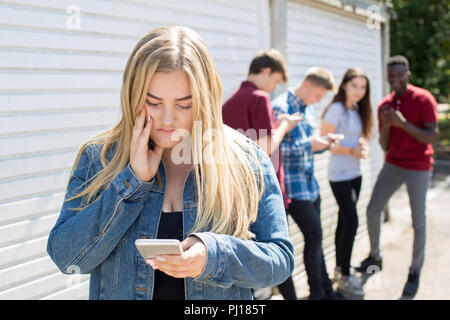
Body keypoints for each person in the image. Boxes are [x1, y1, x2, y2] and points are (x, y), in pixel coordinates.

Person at [46, 26, 295, 300]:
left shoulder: (245, 159)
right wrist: (131, 183)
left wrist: (213, 255)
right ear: (133, 96)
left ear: (205, 100)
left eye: (184, 105)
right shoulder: (99, 157)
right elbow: (68, 259)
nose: (167, 119)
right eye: (153, 102)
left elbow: (279, 261)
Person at [355, 55, 439, 298]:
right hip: (393, 165)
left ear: (408, 75)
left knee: (418, 222)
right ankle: (375, 256)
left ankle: (414, 272)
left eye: (400, 75)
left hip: (419, 167)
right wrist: (389, 126)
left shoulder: (423, 98)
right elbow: (385, 146)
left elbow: (432, 137)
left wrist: (403, 124)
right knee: (373, 209)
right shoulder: (385, 105)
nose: (395, 80)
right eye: (391, 76)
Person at [222, 48, 301, 300]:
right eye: (275, 80)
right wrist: (285, 127)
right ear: (266, 72)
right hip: (263, 190)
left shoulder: (229, 102)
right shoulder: (259, 98)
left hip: (236, 191)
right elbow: (265, 147)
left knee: (247, 256)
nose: (273, 87)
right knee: (278, 254)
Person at [272, 67, 344, 300]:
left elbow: (308, 148)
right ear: (307, 85)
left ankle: (323, 290)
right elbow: (274, 150)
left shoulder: (308, 110)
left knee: (316, 239)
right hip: (292, 189)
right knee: (313, 237)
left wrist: (323, 144)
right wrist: (311, 145)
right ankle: (317, 293)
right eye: (318, 95)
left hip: (310, 186)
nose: (319, 100)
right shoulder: (280, 107)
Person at [320, 67, 374, 298]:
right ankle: (343, 275)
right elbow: (326, 142)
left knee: (345, 222)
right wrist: (352, 151)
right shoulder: (336, 109)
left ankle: (341, 269)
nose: (359, 91)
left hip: (355, 173)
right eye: (355, 86)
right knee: (352, 222)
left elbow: (359, 136)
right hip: (339, 175)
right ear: (344, 85)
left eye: (363, 87)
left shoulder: (357, 108)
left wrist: (361, 146)